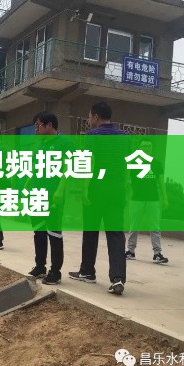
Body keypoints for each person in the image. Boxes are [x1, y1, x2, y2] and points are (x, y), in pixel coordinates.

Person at [69, 102, 129, 295]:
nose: (89, 120)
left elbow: (89, 163)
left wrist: (83, 190)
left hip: (96, 189)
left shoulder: (92, 135)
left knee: (90, 230)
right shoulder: (124, 137)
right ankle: (118, 278)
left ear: (95, 116)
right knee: (116, 233)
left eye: (89, 116)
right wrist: (126, 190)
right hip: (117, 190)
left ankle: (87, 271)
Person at [27, 111, 71, 285]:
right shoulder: (41, 144)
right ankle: (40, 266)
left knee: (54, 233)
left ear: (49, 125)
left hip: (53, 195)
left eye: (38, 125)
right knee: (38, 231)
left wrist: (60, 190)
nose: (36, 129)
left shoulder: (65, 143)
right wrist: (27, 185)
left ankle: (55, 271)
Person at [125, 138, 169, 264]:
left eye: (149, 146)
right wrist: (126, 197)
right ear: (139, 148)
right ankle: (130, 251)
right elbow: (126, 182)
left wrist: (165, 199)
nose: (147, 148)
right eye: (144, 146)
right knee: (134, 226)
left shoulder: (156, 163)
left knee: (155, 227)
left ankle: (157, 254)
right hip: (136, 199)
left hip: (153, 200)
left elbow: (161, 183)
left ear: (151, 148)